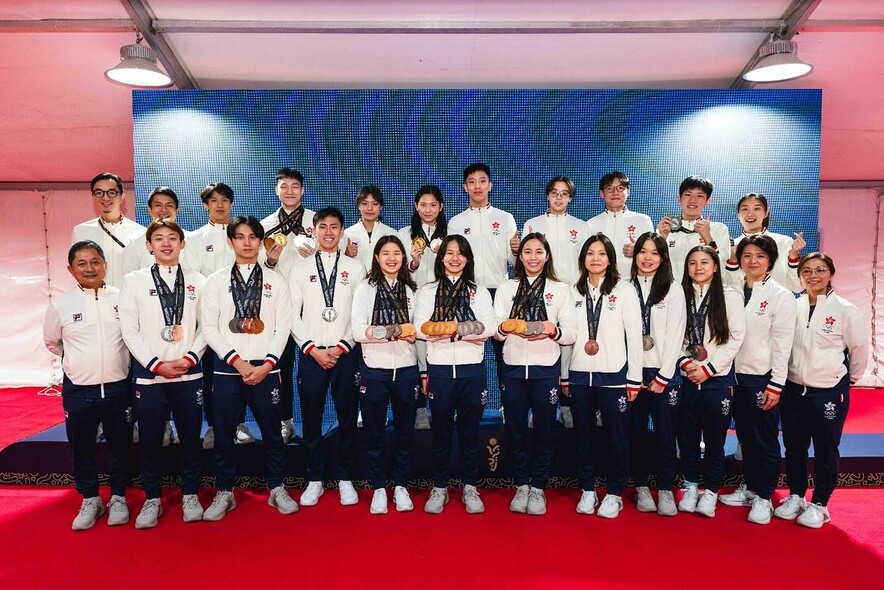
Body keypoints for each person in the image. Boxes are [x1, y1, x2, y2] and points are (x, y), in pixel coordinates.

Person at [199, 216, 299, 520]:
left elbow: (283, 328)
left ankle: (277, 488)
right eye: (240, 236)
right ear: (230, 241)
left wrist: (267, 364)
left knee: (273, 434)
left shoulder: (276, 281)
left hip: (266, 370)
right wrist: (237, 361)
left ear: (261, 241)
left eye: (253, 237)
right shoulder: (216, 281)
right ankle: (225, 491)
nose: (246, 242)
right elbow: (209, 328)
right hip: (228, 370)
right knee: (224, 435)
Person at [119, 220, 207, 528]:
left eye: (172, 238)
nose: (166, 243)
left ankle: (190, 494)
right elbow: (129, 329)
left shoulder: (199, 281)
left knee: (191, 438)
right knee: (150, 440)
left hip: (188, 373)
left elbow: (206, 326)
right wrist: (156, 364)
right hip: (150, 376)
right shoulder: (134, 281)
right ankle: (152, 498)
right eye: (159, 238)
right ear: (149, 245)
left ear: (183, 244)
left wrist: (190, 357)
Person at [43, 241, 133, 531]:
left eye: (95, 261)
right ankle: (91, 498)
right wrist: (77, 362)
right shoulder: (61, 305)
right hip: (80, 391)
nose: (89, 268)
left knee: (121, 446)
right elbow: (52, 342)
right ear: (71, 270)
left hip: (119, 387)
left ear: (105, 264)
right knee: (81, 447)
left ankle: (118, 496)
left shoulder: (122, 298)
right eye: (81, 263)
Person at [776, 253, 868, 528]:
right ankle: (796, 495)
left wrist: (849, 379)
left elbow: (859, 349)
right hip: (794, 389)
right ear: (799, 275)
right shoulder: (794, 306)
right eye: (807, 271)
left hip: (828, 391)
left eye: (820, 270)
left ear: (831, 274)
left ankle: (820, 503)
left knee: (826, 449)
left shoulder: (845, 310)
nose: (813, 275)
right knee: (794, 447)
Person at [493, 233, 577, 515]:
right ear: (519, 256)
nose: (532, 257)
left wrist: (554, 331)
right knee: (515, 430)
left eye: (539, 251)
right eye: (527, 251)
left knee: (544, 431)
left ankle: (538, 487)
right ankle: (521, 485)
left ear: (547, 255)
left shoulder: (559, 289)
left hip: (545, 369)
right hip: (513, 369)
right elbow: (495, 330)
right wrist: (505, 327)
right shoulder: (507, 288)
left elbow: (571, 333)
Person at [414, 235, 496, 514]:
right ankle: (440, 487)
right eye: (449, 253)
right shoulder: (427, 291)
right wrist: (468, 330)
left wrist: (451, 331)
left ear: (468, 259)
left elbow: (489, 327)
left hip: (472, 370)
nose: (454, 258)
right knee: (441, 432)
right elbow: (420, 328)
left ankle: (470, 486)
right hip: (439, 370)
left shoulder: (478, 292)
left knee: (470, 433)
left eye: (460, 253)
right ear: (441, 258)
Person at [289, 207, 366, 507]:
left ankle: (346, 477)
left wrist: (342, 346)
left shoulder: (355, 268)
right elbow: (292, 315)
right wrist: (312, 349)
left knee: (347, 417)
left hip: (345, 353)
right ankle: (315, 478)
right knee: (311, 418)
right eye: (323, 227)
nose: (329, 232)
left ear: (342, 231)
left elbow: (359, 315)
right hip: (312, 354)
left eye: (335, 226)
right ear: (313, 231)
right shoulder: (300, 269)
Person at [718, 235, 797, 524]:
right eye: (747, 255)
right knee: (746, 437)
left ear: (771, 260)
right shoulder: (733, 288)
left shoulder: (781, 295)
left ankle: (765, 496)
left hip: (762, 378)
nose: (753, 261)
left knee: (764, 439)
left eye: (760, 256)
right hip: (733, 376)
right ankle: (751, 488)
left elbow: (783, 344)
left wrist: (776, 384)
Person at [568, 235, 643, 519]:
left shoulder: (624, 290)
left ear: (610, 259)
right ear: (583, 259)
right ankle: (587, 488)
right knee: (582, 437)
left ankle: (614, 493)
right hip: (579, 375)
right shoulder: (573, 291)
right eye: (590, 253)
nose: (596, 258)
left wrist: (634, 378)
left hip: (614, 376)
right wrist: (564, 375)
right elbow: (569, 336)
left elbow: (634, 336)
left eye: (601, 253)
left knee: (616, 437)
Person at [676, 245, 746, 518]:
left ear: (716, 267)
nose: (698, 267)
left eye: (704, 262)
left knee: (716, 441)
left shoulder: (730, 296)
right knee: (688, 439)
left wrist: (709, 369)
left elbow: (735, 338)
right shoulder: (679, 295)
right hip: (687, 378)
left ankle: (712, 492)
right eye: (692, 263)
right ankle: (691, 486)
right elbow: (673, 335)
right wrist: (685, 364)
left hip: (717, 380)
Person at [352, 236, 420, 514]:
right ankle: (378, 488)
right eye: (386, 253)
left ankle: (401, 486)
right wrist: (389, 332)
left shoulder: (411, 289)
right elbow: (358, 331)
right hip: (374, 370)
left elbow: (418, 330)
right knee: (373, 433)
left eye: (397, 253)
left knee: (405, 432)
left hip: (406, 368)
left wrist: (410, 334)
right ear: (377, 258)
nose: (392, 258)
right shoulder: (365, 289)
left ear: (403, 258)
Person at [186, 182, 254, 449]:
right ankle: (215, 426)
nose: (219, 205)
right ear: (206, 205)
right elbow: (193, 276)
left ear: (231, 203)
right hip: (209, 317)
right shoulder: (195, 239)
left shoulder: (243, 234)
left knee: (242, 370)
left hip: (243, 317)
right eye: (213, 200)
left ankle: (240, 424)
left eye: (224, 200)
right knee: (212, 375)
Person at [447, 163, 519, 414]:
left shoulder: (505, 218)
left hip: (499, 292)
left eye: (482, 181)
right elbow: (452, 260)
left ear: (490, 185)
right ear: (464, 187)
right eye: (472, 181)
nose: (477, 186)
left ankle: (507, 406)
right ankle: (461, 407)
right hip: (466, 293)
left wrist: (517, 250)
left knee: (504, 352)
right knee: (464, 349)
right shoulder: (456, 222)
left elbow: (514, 262)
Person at [627, 232, 687, 517]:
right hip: (632, 372)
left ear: (663, 258)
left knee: (666, 433)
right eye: (642, 251)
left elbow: (676, 334)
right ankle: (641, 486)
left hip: (664, 372)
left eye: (654, 252)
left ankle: (665, 488)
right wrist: (631, 373)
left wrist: (664, 375)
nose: (647, 257)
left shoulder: (673, 289)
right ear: (635, 254)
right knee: (636, 432)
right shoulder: (625, 287)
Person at [523, 176, 589, 427]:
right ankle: (535, 407)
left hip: (573, 295)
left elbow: (586, 263)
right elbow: (524, 260)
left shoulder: (581, 227)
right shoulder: (532, 224)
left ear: (570, 198)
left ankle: (567, 405)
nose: (559, 198)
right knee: (539, 349)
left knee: (570, 350)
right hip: (539, 294)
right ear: (547, 195)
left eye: (564, 194)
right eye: (554, 193)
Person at [261, 168, 317, 444]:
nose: (290, 191)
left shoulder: (317, 221)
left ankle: (312, 425)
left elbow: (334, 256)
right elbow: (259, 269)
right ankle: (286, 422)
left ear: (303, 190)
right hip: (279, 306)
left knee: (311, 369)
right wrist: (271, 261)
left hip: (312, 305)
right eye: (284, 186)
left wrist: (317, 254)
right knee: (280, 367)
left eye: (295, 186)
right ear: (276, 191)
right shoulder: (265, 226)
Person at [398, 184, 448, 430]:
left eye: (433, 205)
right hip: (414, 301)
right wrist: (413, 263)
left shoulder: (451, 234)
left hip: (445, 301)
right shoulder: (403, 234)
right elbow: (396, 270)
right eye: (423, 205)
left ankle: (446, 406)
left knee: (444, 353)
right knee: (415, 357)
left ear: (441, 207)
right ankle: (419, 409)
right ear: (415, 207)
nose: (428, 210)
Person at [71, 172, 145, 287]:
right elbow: (78, 271)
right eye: (99, 193)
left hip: (129, 296)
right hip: (95, 295)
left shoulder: (141, 232)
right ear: (93, 197)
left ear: (122, 197)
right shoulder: (81, 231)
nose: (105, 198)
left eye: (112, 192)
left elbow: (145, 273)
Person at [724, 192, 805, 293]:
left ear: (766, 212)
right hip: (742, 302)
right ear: (738, 215)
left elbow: (797, 288)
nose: (750, 214)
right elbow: (726, 287)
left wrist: (793, 257)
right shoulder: (730, 247)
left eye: (756, 209)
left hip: (778, 301)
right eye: (745, 209)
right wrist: (732, 260)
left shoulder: (784, 242)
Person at [656, 176, 731, 282]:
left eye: (699, 196)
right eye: (688, 194)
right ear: (679, 198)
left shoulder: (718, 229)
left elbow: (721, 268)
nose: (692, 200)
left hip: (703, 289)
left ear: (708, 201)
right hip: (671, 290)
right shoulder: (665, 229)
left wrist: (708, 239)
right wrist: (661, 240)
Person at [585, 171, 653, 279]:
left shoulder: (643, 221)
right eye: (609, 188)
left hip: (634, 282)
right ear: (601, 193)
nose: (615, 192)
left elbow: (654, 255)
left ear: (628, 191)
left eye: (620, 188)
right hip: (601, 283)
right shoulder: (590, 224)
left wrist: (639, 251)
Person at [121, 186, 197, 276]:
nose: (164, 210)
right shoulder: (136, 243)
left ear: (177, 210)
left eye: (169, 205)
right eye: (158, 205)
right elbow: (130, 279)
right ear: (149, 210)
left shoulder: (192, 240)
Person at [343, 185, 397, 272]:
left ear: (381, 207)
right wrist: (346, 255)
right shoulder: (347, 234)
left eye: (375, 204)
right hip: (356, 280)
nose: (369, 208)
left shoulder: (391, 234)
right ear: (358, 206)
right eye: (365, 204)